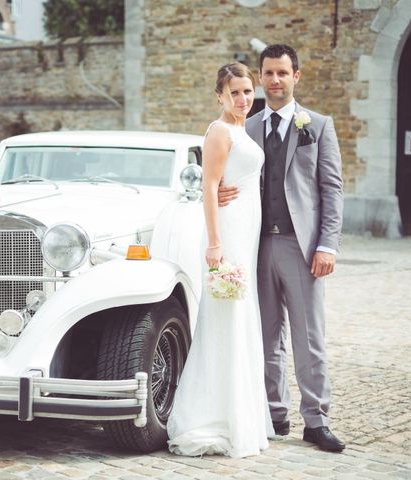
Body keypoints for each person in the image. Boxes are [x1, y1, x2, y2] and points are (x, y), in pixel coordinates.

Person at [218, 44, 345, 453]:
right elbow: (223, 173)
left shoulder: (318, 125)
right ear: (259, 77)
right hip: (255, 246)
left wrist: (327, 244)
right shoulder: (246, 128)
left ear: (296, 76)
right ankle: (274, 413)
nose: (274, 80)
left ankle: (317, 420)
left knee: (310, 337)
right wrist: (219, 190)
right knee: (265, 335)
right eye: (268, 73)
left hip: (301, 246)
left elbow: (332, 189)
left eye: (282, 73)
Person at [167, 63, 272, 458]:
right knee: (225, 321)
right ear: (220, 95)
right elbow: (209, 186)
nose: (243, 99)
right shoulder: (219, 131)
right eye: (235, 93)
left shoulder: (243, 129)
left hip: (245, 234)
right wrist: (214, 243)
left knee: (241, 321)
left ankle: (238, 414)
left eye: (248, 92)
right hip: (225, 235)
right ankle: (213, 417)